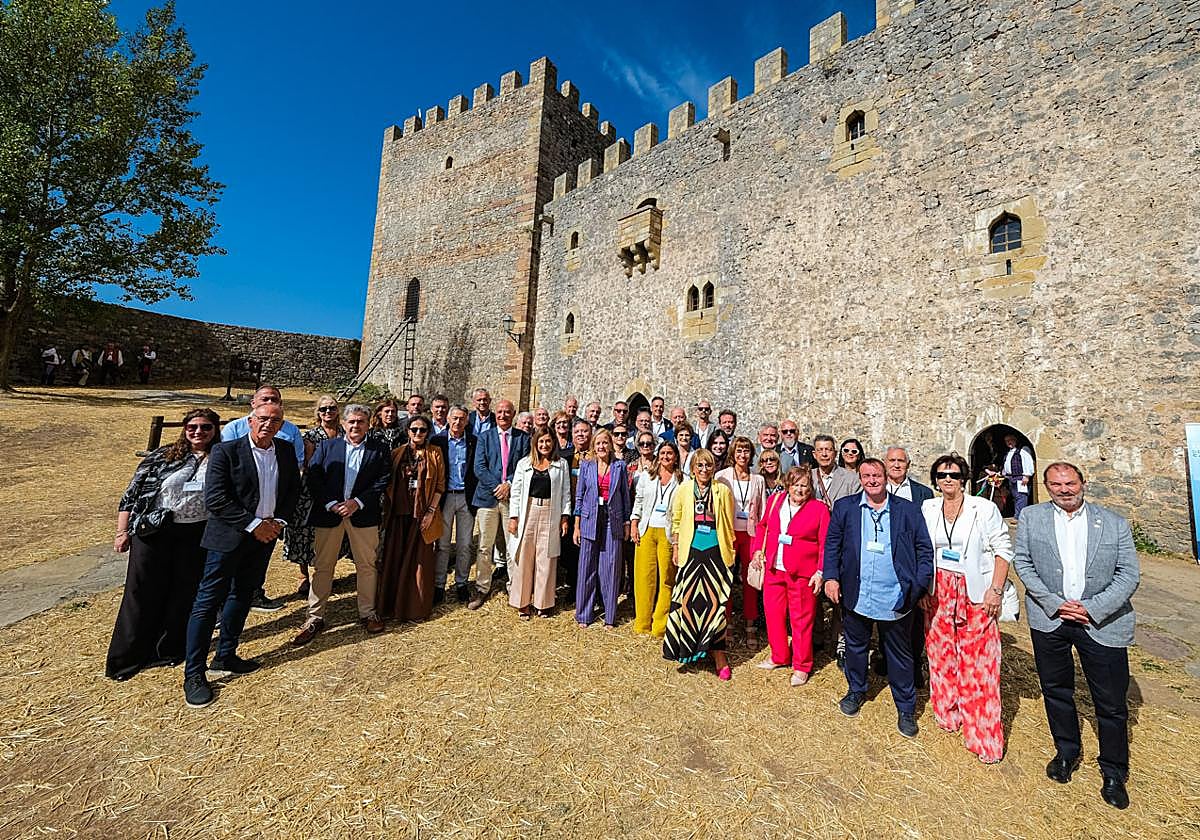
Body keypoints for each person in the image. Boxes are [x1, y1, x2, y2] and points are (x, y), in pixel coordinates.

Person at [1013, 462, 1139, 809]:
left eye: (1070, 482)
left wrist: (1091, 608)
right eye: (1056, 484)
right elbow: (1022, 563)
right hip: (1050, 618)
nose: (1064, 489)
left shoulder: (1113, 523)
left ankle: (1113, 771)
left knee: (1111, 703)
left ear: (1083, 483)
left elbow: (1128, 575)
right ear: (1046, 486)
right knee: (1056, 691)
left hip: (1100, 622)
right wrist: (1054, 603)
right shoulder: (1032, 518)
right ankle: (1066, 752)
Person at [183, 400, 300, 708]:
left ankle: (226, 655)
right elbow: (216, 498)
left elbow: (292, 492)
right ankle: (193, 673)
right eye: (263, 418)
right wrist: (253, 525)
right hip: (229, 538)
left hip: (265, 539)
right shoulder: (226, 451)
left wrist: (279, 522)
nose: (268, 424)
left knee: (243, 595)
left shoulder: (285, 451)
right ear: (250, 420)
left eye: (275, 420)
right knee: (208, 602)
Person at [822, 459, 933, 737]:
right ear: (859, 478)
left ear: (886, 477)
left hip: (895, 597)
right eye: (866, 475)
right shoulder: (846, 508)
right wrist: (831, 577)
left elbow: (924, 550)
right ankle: (856, 690)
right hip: (857, 594)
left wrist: (917, 587)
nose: (872, 480)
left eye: (877, 475)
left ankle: (906, 709)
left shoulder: (906, 510)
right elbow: (832, 544)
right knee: (856, 648)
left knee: (900, 655)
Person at [107, 408, 220, 681]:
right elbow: (131, 495)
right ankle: (128, 657)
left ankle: (168, 650)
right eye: (193, 427)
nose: (198, 432)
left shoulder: (221, 458)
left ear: (215, 430)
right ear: (184, 429)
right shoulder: (163, 456)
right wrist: (122, 531)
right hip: (154, 531)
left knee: (183, 592)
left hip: (195, 533)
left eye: (205, 427)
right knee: (141, 592)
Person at [918, 453, 1012, 763]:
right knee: (941, 655)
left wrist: (995, 590)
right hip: (938, 591)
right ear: (935, 479)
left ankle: (983, 734)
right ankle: (948, 713)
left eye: (955, 475)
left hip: (975, 591)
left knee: (979, 663)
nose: (948, 479)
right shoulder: (928, 508)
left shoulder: (983, 509)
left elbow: (1003, 549)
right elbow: (922, 549)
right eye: (943, 474)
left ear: (964, 479)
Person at [293, 405, 391, 644]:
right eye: (352, 422)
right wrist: (331, 503)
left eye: (361, 422)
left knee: (367, 565)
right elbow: (313, 476)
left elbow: (383, 479)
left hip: (363, 515)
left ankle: (368, 613)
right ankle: (314, 617)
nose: (356, 426)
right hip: (329, 514)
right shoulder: (327, 447)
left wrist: (357, 502)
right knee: (323, 567)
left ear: (368, 424)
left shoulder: (379, 449)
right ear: (344, 424)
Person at [220, 386, 305, 610]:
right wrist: (252, 523)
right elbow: (224, 480)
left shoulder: (290, 433)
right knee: (226, 570)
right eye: (265, 399)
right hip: (238, 519)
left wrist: (278, 521)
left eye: (275, 399)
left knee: (257, 566)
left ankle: (255, 594)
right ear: (253, 404)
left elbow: (293, 474)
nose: (270, 402)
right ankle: (222, 607)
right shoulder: (233, 429)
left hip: (270, 515)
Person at [751, 466, 829, 686]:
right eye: (796, 484)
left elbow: (825, 543)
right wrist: (758, 549)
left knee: (801, 620)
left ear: (810, 488)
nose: (800, 489)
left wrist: (820, 571)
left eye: (805, 485)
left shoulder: (819, 509)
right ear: (788, 484)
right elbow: (763, 525)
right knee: (773, 614)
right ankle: (779, 655)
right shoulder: (776, 500)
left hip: (802, 573)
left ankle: (802, 665)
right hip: (774, 568)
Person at [663, 449, 735, 680]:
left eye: (708, 465)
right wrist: (675, 547)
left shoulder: (722, 490)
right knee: (687, 601)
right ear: (693, 467)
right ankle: (687, 650)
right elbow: (676, 520)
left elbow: (728, 522)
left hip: (716, 552)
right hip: (691, 552)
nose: (704, 470)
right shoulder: (683, 489)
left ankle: (718, 655)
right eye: (700, 465)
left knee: (716, 606)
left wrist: (729, 551)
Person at [377, 416, 445, 622]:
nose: (418, 433)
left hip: (422, 516)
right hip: (399, 515)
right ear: (407, 431)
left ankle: (414, 608)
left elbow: (440, 485)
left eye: (422, 430)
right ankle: (390, 607)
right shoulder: (397, 454)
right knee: (394, 559)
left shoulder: (435, 454)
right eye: (414, 429)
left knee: (419, 563)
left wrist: (431, 512)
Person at [469, 399, 529, 609]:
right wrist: (499, 486)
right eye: (500, 412)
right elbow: (479, 467)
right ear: (496, 414)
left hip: (512, 499)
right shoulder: (484, 437)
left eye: (507, 412)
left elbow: (524, 465)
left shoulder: (523, 438)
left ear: (513, 415)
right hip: (488, 498)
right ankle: (482, 587)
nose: (503, 415)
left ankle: (515, 587)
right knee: (485, 546)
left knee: (514, 545)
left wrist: (510, 484)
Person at [507, 427, 571, 619]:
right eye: (541, 441)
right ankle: (522, 602)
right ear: (535, 443)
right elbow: (516, 493)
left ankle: (543, 603)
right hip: (529, 511)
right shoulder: (524, 464)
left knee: (547, 558)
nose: (545, 445)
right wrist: (513, 517)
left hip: (551, 512)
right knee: (524, 557)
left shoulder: (561, 465)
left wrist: (565, 517)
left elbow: (566, 493)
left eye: (548, 441)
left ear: (553, 443)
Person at [282, 396, 343, 598]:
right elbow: (308, 465)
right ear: (318, 412)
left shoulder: (345, 433)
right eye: (323, 409)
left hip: (338, 488)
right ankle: (303, 576)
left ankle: (324, 573)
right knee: (304, 533)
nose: (328, 412)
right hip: (311, 490)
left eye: (332, 408)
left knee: (329, 536)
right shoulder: (311, 436)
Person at [811, 433, 862, 667]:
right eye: (820, 450)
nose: (824, 453)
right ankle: (817, 637)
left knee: (839, 594)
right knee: (813, 592)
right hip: (813, 543)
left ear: (835, 453)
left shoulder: (850, 478)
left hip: (841, 543)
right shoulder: (808, 477)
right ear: (814, 453)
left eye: (828, 450)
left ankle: (840, 643)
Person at [884, 445, 935, 676]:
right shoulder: (875, 488)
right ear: (886, 463)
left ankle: (914, 664)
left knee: (914, 618)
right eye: (892, 460)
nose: (896, 465)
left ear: (908, 465)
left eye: (901, 461)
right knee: (885, 617)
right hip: (883, 563)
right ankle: (886, 660)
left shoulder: (923, 494)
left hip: (911, 564)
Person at [573, 429, 631, 628]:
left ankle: (609, 616)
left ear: (611, 444)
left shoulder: (619, 467)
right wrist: (577, 525)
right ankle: (584, 614)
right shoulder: (586, 466)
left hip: (611, 520)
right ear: (593, 446)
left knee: (611, 568)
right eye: (598, 443)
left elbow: (625, 497)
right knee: (587, 566)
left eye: (605, 443)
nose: (601, 447)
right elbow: (579, 497)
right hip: (590, 519)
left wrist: (626, 523)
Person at [716, 436, 767, 643]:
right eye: (739, 451)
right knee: (726, 579)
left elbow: (762, 512)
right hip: (728, 533)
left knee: (750, 580)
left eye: (746, 451)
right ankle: (726, 622)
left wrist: (762, 543)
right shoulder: (722, 476)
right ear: (732, 454)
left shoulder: (758, 480)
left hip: (750, 535)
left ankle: (750, 623)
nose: (742, 455)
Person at [630, 441, 680, 637]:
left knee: (667, 578)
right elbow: (639, 502)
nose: (666, 457)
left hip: (668, 532)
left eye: (670, 453)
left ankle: (660, 624)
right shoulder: (646, 477)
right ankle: (642, 622)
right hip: (647, 529)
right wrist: (634, 523)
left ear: (675, 457)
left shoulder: (682, 481)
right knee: (644, 577)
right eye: (663, 453)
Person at [433, 405, 478, 603]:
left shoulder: (474, 442)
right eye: (455, 418)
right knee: (442, 544)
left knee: (465, 544)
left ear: (467, 421)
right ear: (448, 419)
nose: (458, 422)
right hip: (445, 497)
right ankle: (439, 584)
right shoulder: (438, 441)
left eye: (462, 419)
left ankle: (461, 582)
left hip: (465, 497)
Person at [560, 418, 593, 600]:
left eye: (584, 431)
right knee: (568, 550)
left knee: (584, 550)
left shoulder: (596, 457)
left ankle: (585, 587)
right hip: (568, 508)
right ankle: (573, 585)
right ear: (572, 435)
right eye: (577, 432)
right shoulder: (564, 456)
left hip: (588, 511)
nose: (581, 435)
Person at [1002, 433, 1035, 518]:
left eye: (1010, 440)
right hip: (1011, 478)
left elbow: (1028, 462)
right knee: (1015, 497)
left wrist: (1027, 475)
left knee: (1021, 497)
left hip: (1021, 478)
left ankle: (1020, 517)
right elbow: (1007, 465)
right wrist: (1003, 473)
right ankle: (1018, 515)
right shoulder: (1009, 453)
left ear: (1015, 440)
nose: (1009, 442)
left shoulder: (1023, 450)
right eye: (1007, 441)